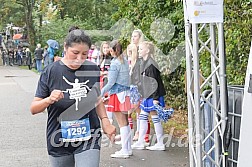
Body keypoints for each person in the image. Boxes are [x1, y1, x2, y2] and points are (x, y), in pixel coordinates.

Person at [30, 28, 116, 167]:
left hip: (89, 137)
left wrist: (105, 121)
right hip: (58, 137)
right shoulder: (51, 71)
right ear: (65, 47)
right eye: (75, 53)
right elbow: (33, 108)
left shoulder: (92, 69)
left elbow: (97, 98)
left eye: (84, 54)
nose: (79, 59)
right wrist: (49, 99)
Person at [131, 41, 166, 151]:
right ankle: (141, 141)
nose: (139, 51)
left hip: (153, 95)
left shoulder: (151, 64)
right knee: (142, 117)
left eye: (141, 49)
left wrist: (155, 99)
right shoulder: (143, 62)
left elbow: (154, 82)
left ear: (147, 50)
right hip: (147, 95)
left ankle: (160, 143)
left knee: (155, 118)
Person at [100, 40, 132, 158]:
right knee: (126, 122)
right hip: (126, 92)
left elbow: (110, 82)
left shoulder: (114, 63)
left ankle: (124, 150)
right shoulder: (123, 61)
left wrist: (101, 94)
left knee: (121, 123)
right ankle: (128, 148)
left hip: (118, 93)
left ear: (113, 51)